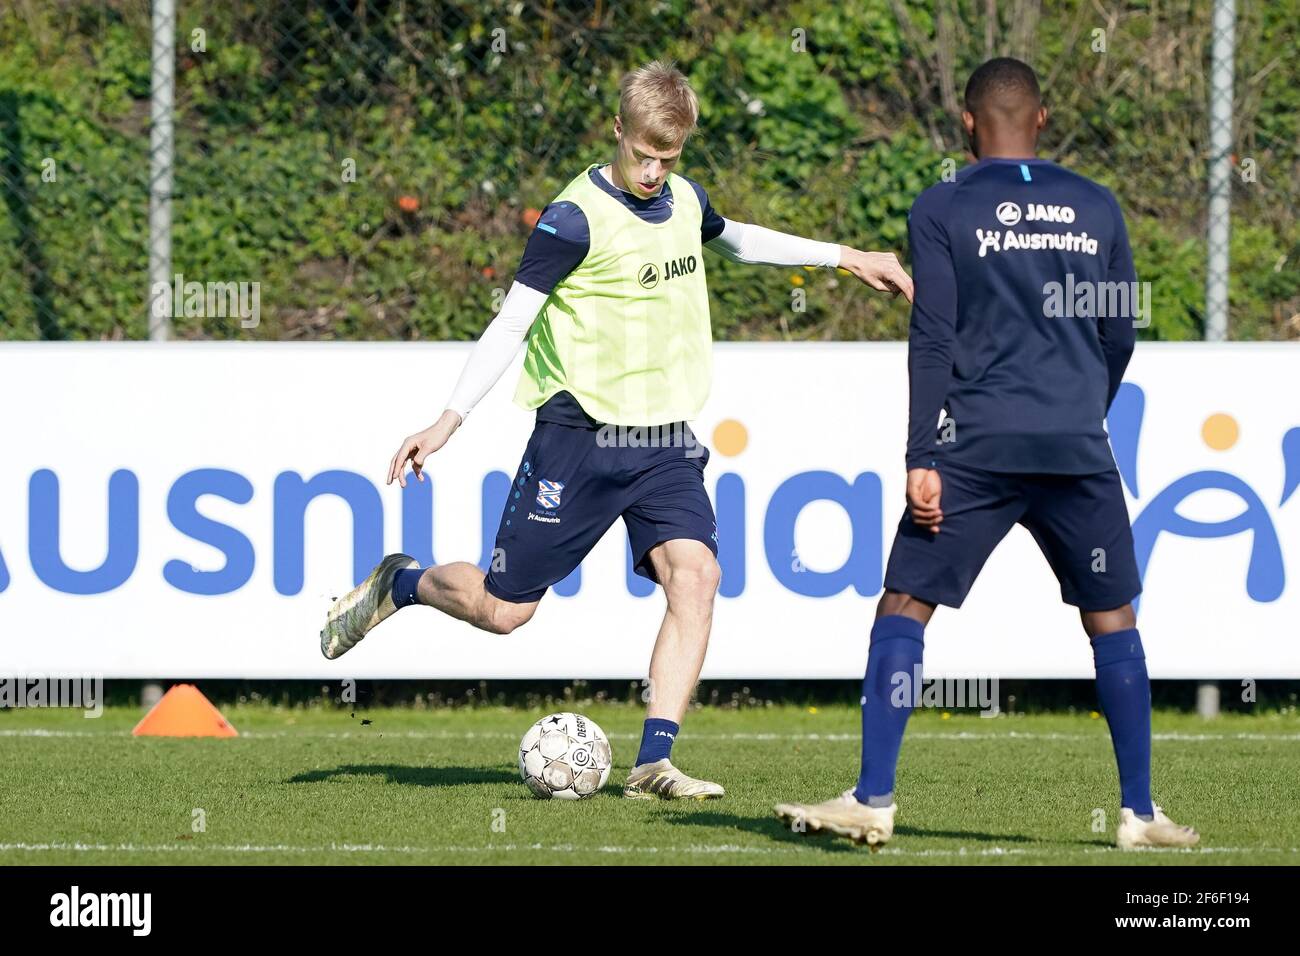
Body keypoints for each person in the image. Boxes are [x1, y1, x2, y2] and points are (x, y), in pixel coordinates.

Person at [321, 60, 913, 800]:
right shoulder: (572, 218)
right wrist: (448, 420)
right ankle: (399, 584)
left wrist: (847, 257)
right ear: (617, 132)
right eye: (644, 154)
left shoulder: (685, 200)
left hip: (664, 441)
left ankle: (652, 763)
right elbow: (513, 320)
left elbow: (738, 239)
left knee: (696, 575)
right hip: (578, 436)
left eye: (670, 157)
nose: (655, 171)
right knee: (505, 611)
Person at [774, 58, 1198, 849]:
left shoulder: (943, 206)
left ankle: (873, 797)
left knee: (904, 606)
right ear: (1042, 119)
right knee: (1114, 621)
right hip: (1076, 446)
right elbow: (1118, 334)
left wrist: (920, 453)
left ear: (967, 124)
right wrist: (1079, 410)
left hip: (974, 445)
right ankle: (1140, 814)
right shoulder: (1097, 206)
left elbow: (932, 333)